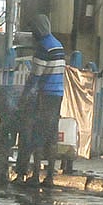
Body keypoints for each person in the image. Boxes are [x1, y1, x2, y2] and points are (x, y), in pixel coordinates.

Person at [14, 14, 66, 186]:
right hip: (57, 94)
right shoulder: (58, 45)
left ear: (38, 29)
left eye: (34, 29)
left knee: (37, 134)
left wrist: (24, 96)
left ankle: (35, 175)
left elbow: (35, 76)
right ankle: (50, 176)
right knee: (51, 135)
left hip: (45, 95)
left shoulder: (43, 48)